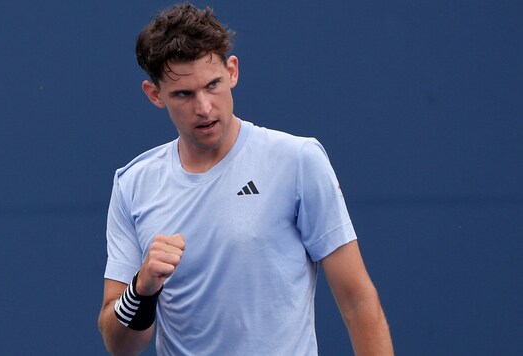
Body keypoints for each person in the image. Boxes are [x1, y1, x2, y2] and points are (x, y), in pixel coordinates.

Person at [98, 3, 393, 355]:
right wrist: (141, 289)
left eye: (213, 85)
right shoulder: (133, 185)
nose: (205, 107)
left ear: (232, 71)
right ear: (154, 94)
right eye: (184, 94)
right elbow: (121, 346)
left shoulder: (298, 161)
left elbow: (357, 301)